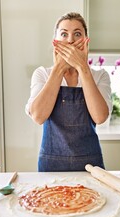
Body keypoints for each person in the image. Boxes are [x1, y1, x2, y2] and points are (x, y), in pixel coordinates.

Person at [25, 12, 112, 172]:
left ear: (86, 41)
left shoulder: (100, 76)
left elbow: (100, 117)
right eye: (64, 34)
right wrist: (59, 68)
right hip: (51, 165)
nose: (70, 40)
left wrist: (83, 67)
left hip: (91, 166)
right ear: (55, 42)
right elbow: (38, 116)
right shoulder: (42, 74)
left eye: (77, 34)